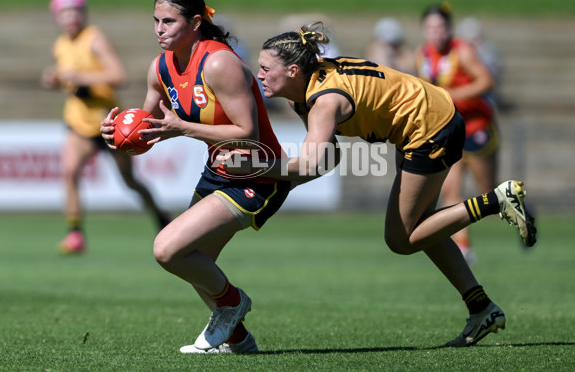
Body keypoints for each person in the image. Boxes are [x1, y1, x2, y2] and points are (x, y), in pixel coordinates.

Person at [224, 21, 537, 347]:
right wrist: (275, 180)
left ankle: (496, 201)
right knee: (424, 229)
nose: (258, 75)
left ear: (291, 71)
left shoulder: (323, 103)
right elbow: (327, 160)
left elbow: (311, 163)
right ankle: (481, 307)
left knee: (400, 239)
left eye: (265, 68)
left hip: (430, 126)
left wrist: (253, 168)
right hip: (425, 118)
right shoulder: (302, 95)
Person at [100, 0, 291, 354]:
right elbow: (148, 131)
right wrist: (117, 133)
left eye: (169, 21)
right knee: (196, 263)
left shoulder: (220, 62)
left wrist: (184, 128)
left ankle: (232, 302)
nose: (159, 29)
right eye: (155, 21)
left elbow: (247, 131)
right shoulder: (160, 68)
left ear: (196, 22)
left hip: (258, 172)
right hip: (218, 172)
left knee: (169, 250)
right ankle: (238, 341)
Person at [41, 0, 170, 254]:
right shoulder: (61, 44)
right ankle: (75, 234)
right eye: (65, 12)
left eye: (75, 10)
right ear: (56, 16)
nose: (71, 16)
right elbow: (68, 79)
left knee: (130, 182)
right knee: (70, 173)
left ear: (84, 12)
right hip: (78, 122)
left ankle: (162, 219)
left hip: (109, 123)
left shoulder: (94, 39)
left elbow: (118, 75)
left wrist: (80, 77)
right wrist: (55, 79)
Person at [415, 2, 499, 265]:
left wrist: (452, 96)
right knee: (451, 189)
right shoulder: (423, 55)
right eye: (430, 27)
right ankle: (463, 246)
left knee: (487, 190)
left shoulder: (462, 52)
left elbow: (486, 81)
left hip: (476, 128)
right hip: (451, 130)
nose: (435, 32)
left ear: (448, 28)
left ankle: (521, 209)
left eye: (440, 26)